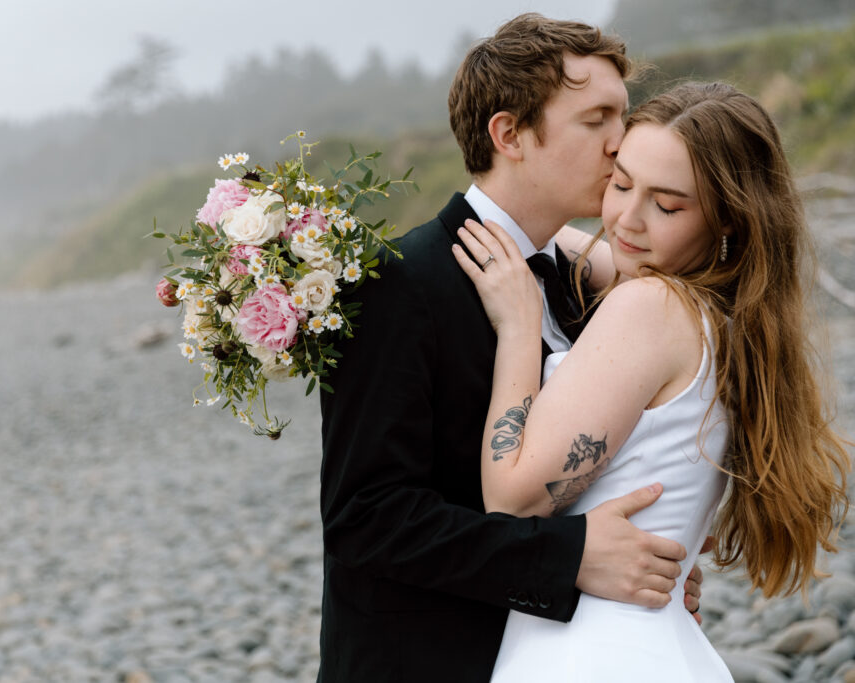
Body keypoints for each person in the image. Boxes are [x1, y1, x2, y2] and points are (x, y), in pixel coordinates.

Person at [318, 14, 706, 682]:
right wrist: (568, 556)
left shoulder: (582, 278)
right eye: (597, 120)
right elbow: (365, 517)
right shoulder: (401, 281)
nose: (624, 142)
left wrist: (654, 550)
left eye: (626, 114)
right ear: (510, 134)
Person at [452, 81, 851, 681]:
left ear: (728, 224)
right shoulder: (728, 316)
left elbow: (511, 500)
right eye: (619, 184)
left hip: (588, 654)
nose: (626, 221)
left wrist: (518, 327)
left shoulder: (649, 307)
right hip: (655, 645)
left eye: (667, 206)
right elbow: (557, 238)